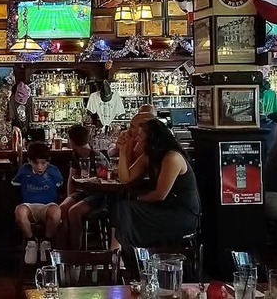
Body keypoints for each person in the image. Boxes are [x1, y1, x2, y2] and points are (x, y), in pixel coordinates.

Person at [113, 119, 200, 266]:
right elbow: (125, 178)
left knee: (125, 209)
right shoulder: (149, 157)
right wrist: (123, 150)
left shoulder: (172, 157)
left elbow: (160, 195)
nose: (136, 139)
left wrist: (139, 198)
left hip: (181, 215)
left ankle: (124, 258)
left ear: (151, 139)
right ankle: (125, 258)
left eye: (140, 136)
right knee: (123, 208)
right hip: (163, 210)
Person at [12, 142, 63, 264]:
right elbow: (14, 184)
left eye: (43, 163)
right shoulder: (24, 170)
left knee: (56, 212)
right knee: (19, 211)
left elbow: (60, 185)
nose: (40, 167)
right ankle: (31, 242)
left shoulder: (54, 171)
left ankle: (46, 241)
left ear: (48, 161)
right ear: (29, 161)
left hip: (48, 206)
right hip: (29, 206)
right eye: (36, 163)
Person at [59, 124, 109, 250]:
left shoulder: (98, 156)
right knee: (62, 208)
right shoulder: (76, 154)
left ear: (73, 141)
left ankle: (76, 253)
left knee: (74, 211)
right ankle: (62, 249)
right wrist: (70, 196)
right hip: (82, 192)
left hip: (98, 195)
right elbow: (72, 177)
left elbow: (105, 182)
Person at [116, 111, 157, 184]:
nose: (129, 130)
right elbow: (127, 173)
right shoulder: (134, 140)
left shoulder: (149, 148)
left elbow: (128, 175)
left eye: (132, 126)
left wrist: (127, 147)